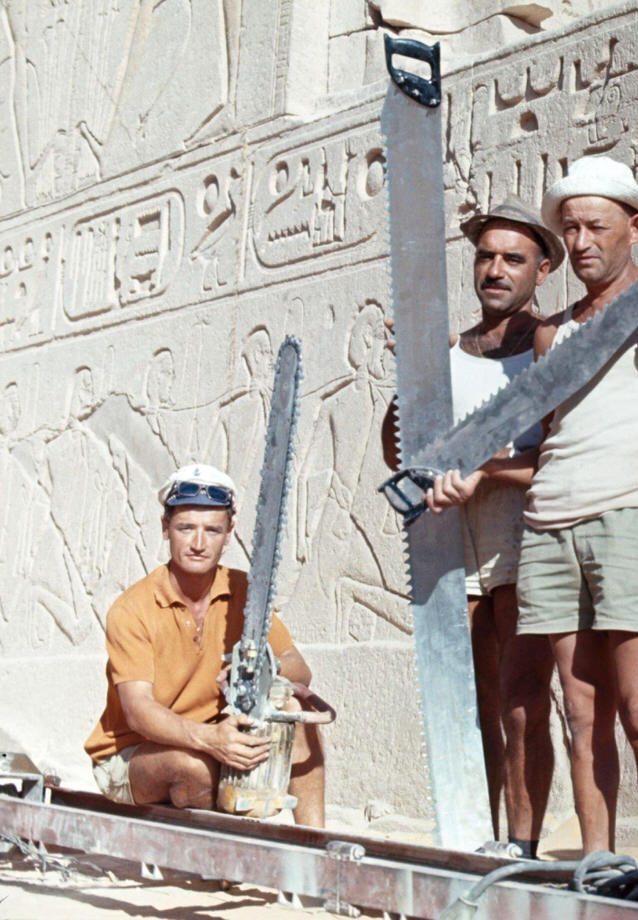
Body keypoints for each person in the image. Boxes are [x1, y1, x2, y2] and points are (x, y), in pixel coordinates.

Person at [428, 156, 638, 853]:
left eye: (597, 226)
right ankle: (599, 861)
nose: (582, 243)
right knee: (580, 712)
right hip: (549, 527)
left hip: (636, 517)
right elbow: (550, 443)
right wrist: (476, 470)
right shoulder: (551, 332)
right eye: (570, 229)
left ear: (636, 226)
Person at [385, 197, 562, 857]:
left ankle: (522, 844)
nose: (495, 269)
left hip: (526, 537)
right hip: (452, 542)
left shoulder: (551, 347)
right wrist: (411, 379)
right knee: (469, 703)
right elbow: (401, 453)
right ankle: (473, 838)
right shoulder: (448, 352)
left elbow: (566, 455)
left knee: (524, 702)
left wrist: (488, 468)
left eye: (512, 258)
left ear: (542, 270)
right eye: (486, 256)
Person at [84, 463, 326, 826]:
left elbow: (298, 666)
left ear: (229, 533)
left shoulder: (246, 592)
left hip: (215, 737)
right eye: (186, 528)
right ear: (166, 528)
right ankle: (219, 863)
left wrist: (260, 669)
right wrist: (211, 739)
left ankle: (316, 850)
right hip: (133, 753)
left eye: (212, 530)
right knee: (192, 766)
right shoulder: (132, 608)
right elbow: (138, 711)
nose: (198, 544)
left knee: (295, 713)